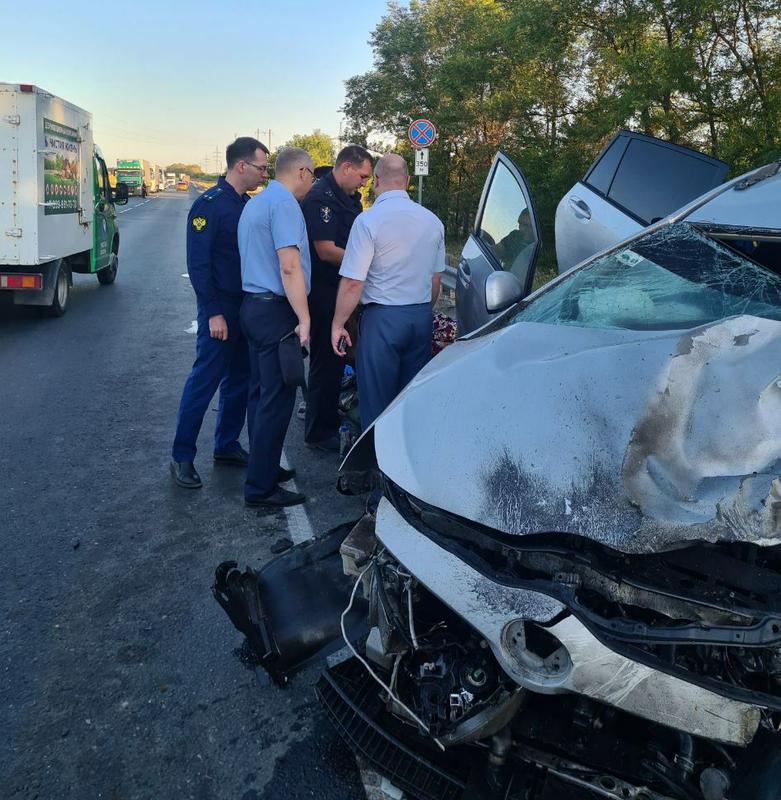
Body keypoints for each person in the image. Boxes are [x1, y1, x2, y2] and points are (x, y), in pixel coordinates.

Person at [170, 137, 269, 489]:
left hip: (246, 306)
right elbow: (198, 265)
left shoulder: (245, 204)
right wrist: (212, 312)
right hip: (221, 306)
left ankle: (226, 445)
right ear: (241, 166)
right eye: (261, 168)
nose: (264, 174)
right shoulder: (209, 206)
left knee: (239, 380)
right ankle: (182, 456)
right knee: (205, 380)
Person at [331, 153, 445, 430]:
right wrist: (420, 311)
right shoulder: (433, 222)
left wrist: (338, 324)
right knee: (409, 402)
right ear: (407, 180)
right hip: (420, 318)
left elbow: (353, 282)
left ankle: (375, 455)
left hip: (382, 320)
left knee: (376, 404)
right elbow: (435, 280)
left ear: (376, 180)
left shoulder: (368, 221)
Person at [238, 147, 314, 508]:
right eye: (311, 175)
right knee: (277, 400)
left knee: (259, 395)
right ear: (302, 172)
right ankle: (260, 488)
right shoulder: (284, 205)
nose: (311, 183)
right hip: (276, 313)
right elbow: (289, 266)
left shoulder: (257, 202)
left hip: (253, 307)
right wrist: (304, 318)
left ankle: (262, 467)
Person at [301, 145, 373, 451]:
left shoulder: (349, 198)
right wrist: (364, 261)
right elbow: (326, 250)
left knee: (340, 359)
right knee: (326, 361)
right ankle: (319, 431)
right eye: (362, 176)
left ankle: (329, 415)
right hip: (325, 291)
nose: (364, 183)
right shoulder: (321, 198)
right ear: (346, 168)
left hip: (344, 288)